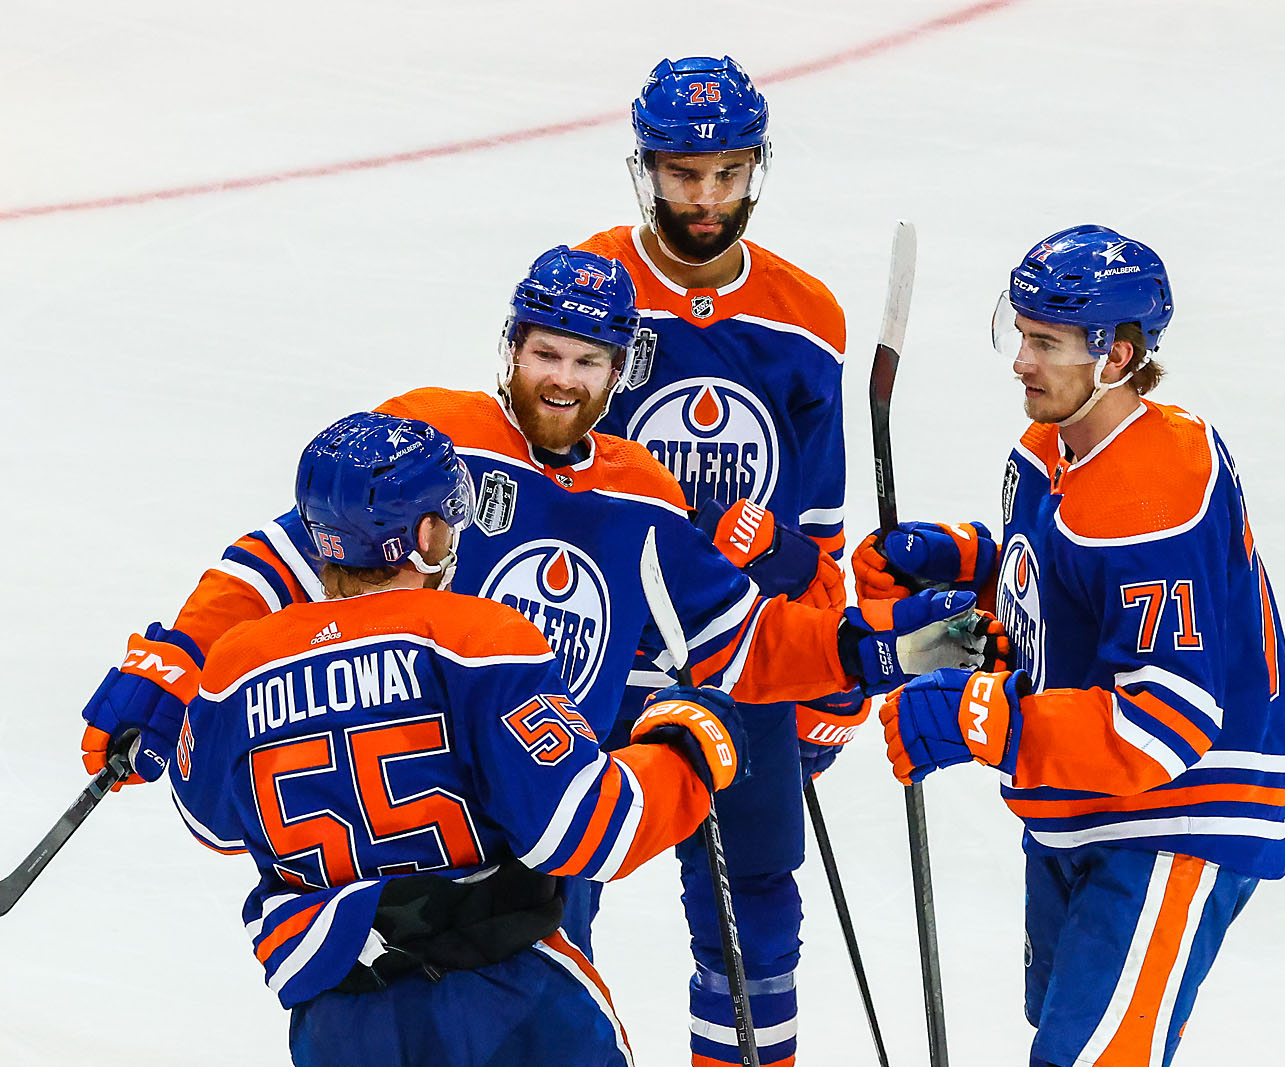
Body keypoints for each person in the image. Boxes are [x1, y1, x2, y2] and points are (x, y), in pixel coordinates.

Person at [80, 247, 993, 955]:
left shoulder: (640, 493)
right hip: (419, 819)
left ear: (619, 369)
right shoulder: (437, 436)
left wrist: (883, 648)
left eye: (588, 360)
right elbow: (287, 552)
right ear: (511, 348)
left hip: (546, 800)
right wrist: (175, 661)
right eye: (546, 352)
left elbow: (745, 640)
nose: (563, 378)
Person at [856, 225, 1285, 1067]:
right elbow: (1049, 599)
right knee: (1062, 1027)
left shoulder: (1153, 496)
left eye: (1047, 343)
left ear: (1117, 356)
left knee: (1089, 1056)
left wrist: (975, 720)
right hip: (1087, 795)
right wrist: (952, 579)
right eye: (1021, 334)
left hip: (1180, 811)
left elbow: (1165, 723)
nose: (1021, 362)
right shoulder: (1048, 448)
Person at [168, 410, 749, 1067]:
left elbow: (211, 822)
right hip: (506, 1003)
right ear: (424, 536)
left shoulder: (235, 667)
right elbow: (586, 825)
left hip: (339, 1022)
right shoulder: (477, 640)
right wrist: (685, 751)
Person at [575, 56, 852, 1066]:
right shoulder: (587, 288)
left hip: (741, 661)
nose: (705, 198)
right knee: (546, 908)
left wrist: (823, 668)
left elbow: (816, 528)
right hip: (594, 656)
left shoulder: (803, 318)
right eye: (684, 174)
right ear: (646, 168)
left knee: (755, 924)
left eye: (727, 173)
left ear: (754, 169)